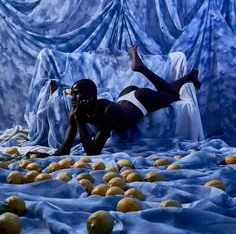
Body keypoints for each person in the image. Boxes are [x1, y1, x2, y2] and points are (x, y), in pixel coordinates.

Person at [28, 45, 201, 157]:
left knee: (173, 95)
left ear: (92, 96)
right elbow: (64, 149)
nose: (73, 99)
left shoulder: (106, 111)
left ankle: (141, 69)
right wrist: (45, 156)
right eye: (72, 94)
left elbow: (94, 152)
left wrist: (80, 122)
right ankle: (190, 76)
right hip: (124, 97)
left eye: (78, 94)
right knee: (167, 91)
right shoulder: (76, 112)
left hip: (140, 100)